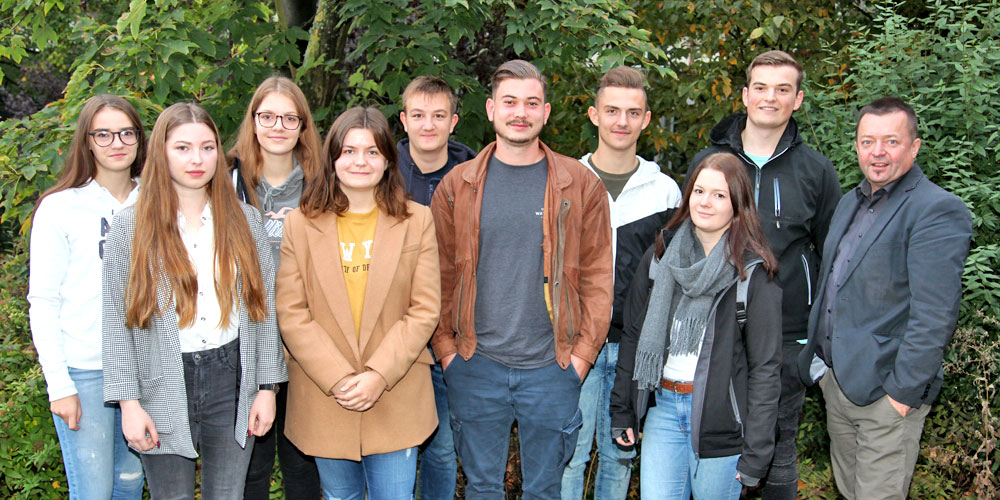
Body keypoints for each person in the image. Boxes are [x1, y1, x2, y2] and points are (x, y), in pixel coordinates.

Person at [430, 59, 614, 500]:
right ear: (491, 109)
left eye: (532, 103)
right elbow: (436, 277)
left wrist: (582, 359)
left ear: (546, 113)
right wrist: (448, 352)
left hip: (553, 367)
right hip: (476, 364)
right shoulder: (458, 185)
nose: (521, 112)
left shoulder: (579, 185)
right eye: (510, 102)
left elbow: (597, 277)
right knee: (482, 488)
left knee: (545, 490)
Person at [101, 102, 287, 500]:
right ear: (160, 153)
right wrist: (129, 404)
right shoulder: (129, 227)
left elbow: (264, 311)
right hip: (161, 377)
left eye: (207, 147)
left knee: (228, 495)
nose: (197, 159)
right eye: (182, 148)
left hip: (232, 377)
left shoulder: (245, 221)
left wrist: (266, 388)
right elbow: (116, 323)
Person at [797, 97, 972, 500]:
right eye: (867, 141)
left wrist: (901, 396)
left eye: (891, 141)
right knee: (849, 491)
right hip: (838, 385)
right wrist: (824, 375)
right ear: (856, 146)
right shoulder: (849, 202)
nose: (877, 152)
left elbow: (935, 315)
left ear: (914, 147)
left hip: (886, 394)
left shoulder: (936, 210)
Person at [686, 50, 840, 499]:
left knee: (776, 449)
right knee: (712, 445)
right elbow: (685, 244)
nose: (770, 97)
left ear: (798, 99)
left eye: (783, 89)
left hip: (785, 336)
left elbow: (832, 255)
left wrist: (817, 335)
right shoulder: (710, 160)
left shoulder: (816, 170)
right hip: (712, 334)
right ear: (745, 94)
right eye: (761, 87)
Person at [276, 106, 441, 500]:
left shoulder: (416, 221)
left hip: (395, 393)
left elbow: (424, 309)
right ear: (332, 158)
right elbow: (291, 312)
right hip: (326, 395)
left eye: (371, 151)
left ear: (387, 160)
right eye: (348, 151)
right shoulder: (300, 223)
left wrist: (378, 375)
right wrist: (339, 379)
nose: (359, 161)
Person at [611, 152, 783, 499]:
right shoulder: (661, 255)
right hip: (662, 410)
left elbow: (765, 369)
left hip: (721, 425)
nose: (705, 202)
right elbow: (633, 335)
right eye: (699, 191)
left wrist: (757, 453)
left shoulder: (751, 274)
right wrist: (624, 410)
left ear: (738, 204)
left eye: (719, 195)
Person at [562, 65, 681, 500]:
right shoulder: (566, 182)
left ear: (646, 120)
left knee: (619, 455)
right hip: (576, 344)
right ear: (594, 114)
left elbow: (672, 278)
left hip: (635, 346)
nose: (621, 122)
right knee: (569, 453)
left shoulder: (665, 192)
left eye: (633, 112)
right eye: (612, 110)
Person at [28, 94, 147, 500]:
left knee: (130, 488)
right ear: (88, 141)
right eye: (104, 134)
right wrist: (59, 384)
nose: (117, 142)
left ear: (139, 140)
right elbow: (43, 301)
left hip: (146, 370)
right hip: (85, 371)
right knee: (94, 491)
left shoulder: (157, 200)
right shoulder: (59, 208)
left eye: (126, 132)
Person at [227, 75, 323, 500]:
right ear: (253, 121)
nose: (278, 126)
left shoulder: (324, 184)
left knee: (303, 461)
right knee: (251, 465)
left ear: (303, 126)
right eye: (267, 116)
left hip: (306, 338)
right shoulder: (224, 181)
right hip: (244, 340)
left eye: (289, 117)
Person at [396, 74, 475, 500]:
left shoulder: (474, 177)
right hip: (391, 333)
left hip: (451, 334)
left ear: (453, 121)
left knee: (442, 449)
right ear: (404, 120)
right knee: (395, 447)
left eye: (439, 116)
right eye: (420, 115)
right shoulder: (378, 170)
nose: (429, 125)